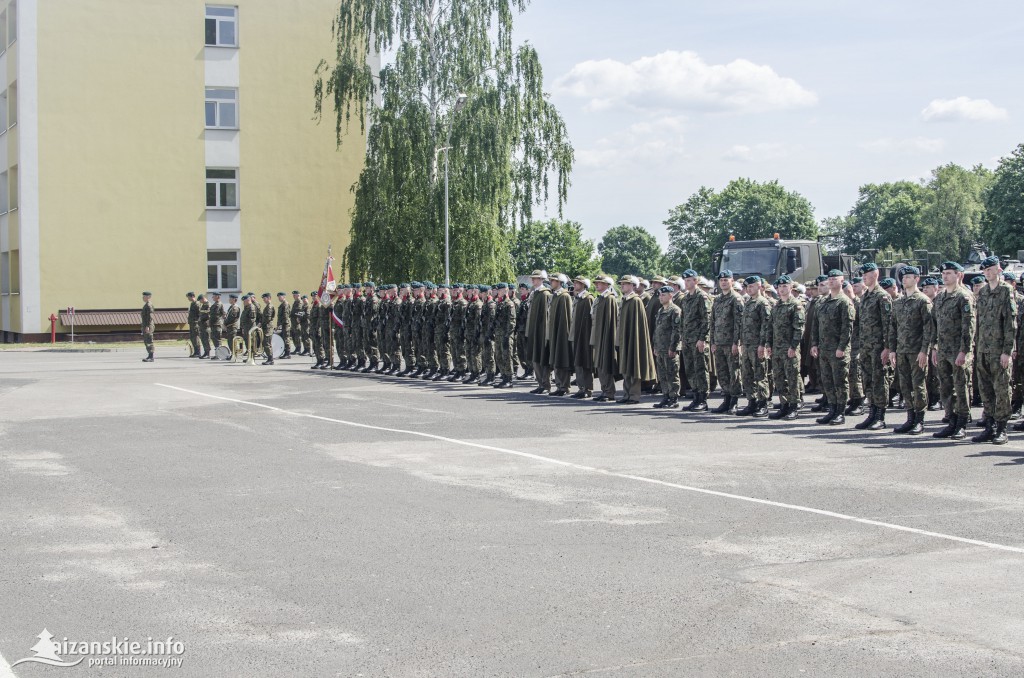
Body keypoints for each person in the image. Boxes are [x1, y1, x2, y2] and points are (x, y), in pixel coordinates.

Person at [972, 256, 1017, 445]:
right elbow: (979, 322)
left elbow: (1010, 323)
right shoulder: (982, 293)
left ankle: (1001, 428)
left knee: (1002, 390)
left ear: (998, 270)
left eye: (990, 269)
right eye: (985, 270)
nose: (987, 273)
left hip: (999, 350)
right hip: (983, 349)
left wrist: (1007, 351)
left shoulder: (1006, 291)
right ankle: (989, 426)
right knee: (986, 390)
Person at [885, 267, 933, 435]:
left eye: (908, 277)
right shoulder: (898, 302)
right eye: (903, 277)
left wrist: (924, 351)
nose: (904, 280)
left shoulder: (923, 301)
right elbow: (893, 328)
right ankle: (910, 417)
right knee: (905, 386)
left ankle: (919, 420)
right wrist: (892, 349)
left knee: (918, 386)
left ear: (916, 279)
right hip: (902, 350)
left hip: (916, 351)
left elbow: (928, 329)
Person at [930, 262, 975, 440]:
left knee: (961, 386)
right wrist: (934, 347)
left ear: (958, 275)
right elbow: (934, 325)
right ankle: (951, 420)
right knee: (946, 387)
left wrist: (964, 351)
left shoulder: (964, 297)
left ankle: (962, 423)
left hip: (958, 350)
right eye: (944, 274)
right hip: (942, 350)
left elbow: (969, 327)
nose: (945, 276)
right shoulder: (940, 298)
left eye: (949, 273)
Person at [812, 270, 855, 426]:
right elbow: (816, 325)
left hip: (838, 349)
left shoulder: (844, 302)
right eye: (829, 279)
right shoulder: (822, 302)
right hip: (824, 349)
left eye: (834, 279)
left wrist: (842, 347)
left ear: (842, 281)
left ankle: (840, 412)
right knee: (827, 381)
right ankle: (832, 409)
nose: (830, 281)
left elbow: (847, 327)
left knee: (840, 382)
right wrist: (814, 344)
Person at [855, 264, 893, 431]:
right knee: (868, 380)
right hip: (866, 347)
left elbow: (888, 324)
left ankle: (880, 416)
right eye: (863, 274)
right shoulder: (865, 296)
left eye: (867, 274)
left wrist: (887, 347)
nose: (864, 277)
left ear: (876, 274)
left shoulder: (882, 296)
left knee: (880, 381)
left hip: (878, 347)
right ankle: (872, 413)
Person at [765, 276, 804, 420]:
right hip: (777, 349)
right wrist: (769, 344)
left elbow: (799, 329)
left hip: (789, 348)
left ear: (791, 288)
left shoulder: (796, 305)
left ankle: (794, 406)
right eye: (780, 287)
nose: (782, 289)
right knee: (779, 378)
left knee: (792, 378)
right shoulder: (777, 305)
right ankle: (784, 405)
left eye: (785, 286)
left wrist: (793, 346)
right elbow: (770, 327)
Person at [615, 275, 656, 404]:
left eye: (626, 284)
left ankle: (633, 395)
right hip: (624, 338)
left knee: (633, 366)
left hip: (633, 339)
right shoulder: (625, 299)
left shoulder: (635, 301)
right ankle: (626, 394)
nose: (622, 285)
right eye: (622, 283)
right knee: (625, 367)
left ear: (633, 285)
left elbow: (637, 325)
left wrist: (633, 339)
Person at [710, 270, 744, 414]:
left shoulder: (736, 299)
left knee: (733, 372)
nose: (723, 282)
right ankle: (726, 398)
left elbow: (739, 323)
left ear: (732, 281)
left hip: (731, 343)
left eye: (726, 280)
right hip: (719, 342)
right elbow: (713, 322)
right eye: (721, 280)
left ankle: (734, 401)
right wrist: (712, 341)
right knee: (722, 373)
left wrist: (736, 342)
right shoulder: (717, 300)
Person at [737, 276, 771, 417]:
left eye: (752, 286)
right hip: (747, 345)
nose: (749, 289)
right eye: (747, 287)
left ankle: (763, 404)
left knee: (760, 374)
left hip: (758, 345)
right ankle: (752, 401)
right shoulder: (749, 302)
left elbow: (766, 326)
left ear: (759, 286)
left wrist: (762, 344)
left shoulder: (762, 303)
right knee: (747, 374)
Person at [680, 270, 713, 412]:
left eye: (689, 280)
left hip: (698, 340)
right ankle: (696, 396)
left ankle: (703, 400)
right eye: (685, 280)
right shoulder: (686, 298)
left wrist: (702, 338)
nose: (687, 283)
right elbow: (683, 319)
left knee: (700, 369)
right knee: (690, 369)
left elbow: (706, 319)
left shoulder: (702, 297)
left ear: (696, 281)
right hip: (688, 339)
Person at [651, 285, 681, 408]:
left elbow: (677, 330)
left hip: (669, 348)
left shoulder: (675, 310)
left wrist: (673, 347)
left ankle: (674, 398)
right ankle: (666, 396)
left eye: (663, 295)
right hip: (660, 348)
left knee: (672, 374)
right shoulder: (660, 310)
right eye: (660, 295)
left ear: (671, 295)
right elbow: (657, 330)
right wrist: (655, 346)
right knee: (662, 375)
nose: (660, 297)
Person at [591, 276, 619, 402]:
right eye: (596, 283)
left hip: (606, 337)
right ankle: (604, 390)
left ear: (607, 285)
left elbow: (610, 321)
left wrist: (607, 338)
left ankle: (609, 392)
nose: (597, 285)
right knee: (600, 365)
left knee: (605, 364)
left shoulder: (610, 298)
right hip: (598, 336)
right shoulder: (600, 298)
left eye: (600, 283)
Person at [545, 273, 574, 396]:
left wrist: (563, 334)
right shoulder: (555, 296)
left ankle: (564, 386)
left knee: (562, 358)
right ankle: (559, 385)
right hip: (554, 332)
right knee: (556, 359)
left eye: (554, 280)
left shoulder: (564, 296)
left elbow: (567, 318)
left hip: (562, 333)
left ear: (560, 282)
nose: (551, 282)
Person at [525, 271, 552, 394]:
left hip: (541, 332)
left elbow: (546, 315)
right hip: (533, 331)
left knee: (542, 358)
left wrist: (543, 333)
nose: (533, 280)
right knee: (535, 358)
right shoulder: (534, 293)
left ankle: (545, 384)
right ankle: (540, 383)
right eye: (533, 278)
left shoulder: (544, 293)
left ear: (542, 279)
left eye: (536, 278)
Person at [570, 276, 595, 399]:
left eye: (577, 283)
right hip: (575, 334)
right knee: (578, 363)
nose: (575, 284)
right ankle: (581, 388)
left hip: (584, 336)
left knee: (585, 362)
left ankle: (587, 388)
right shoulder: (578, 298)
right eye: (574, 282)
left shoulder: (588, 298)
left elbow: (589, 321)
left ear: (583, 285)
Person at [492, 284, 517, 388]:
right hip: (498, 334)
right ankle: (503, 376)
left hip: (506, 335)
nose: (499, 292)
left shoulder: (509, 304)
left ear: (506, 290)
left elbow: (512, 322)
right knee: (499, 356)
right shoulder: (500, 303)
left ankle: (509, 379)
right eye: (498, 290)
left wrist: (507, 336)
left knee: (507, 357)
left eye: (501, 290)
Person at [260, 293, 277, 365]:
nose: (263, 299)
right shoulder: (267, 306)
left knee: (267, 343)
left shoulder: (269, 307)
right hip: (266, 326)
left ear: (269, 298)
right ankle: (269, 358)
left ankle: (270, 359)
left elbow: (268, 318)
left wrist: (261, 324)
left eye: (265, 298)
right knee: (266, 343)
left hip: (267, 327)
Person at [276, 292, 293, 359]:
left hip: (285, 323)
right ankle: (286, 352)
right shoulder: (282, 304)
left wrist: (281, 324)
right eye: (278, 297)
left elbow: (285, 316)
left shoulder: (285, 304)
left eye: (280, 297)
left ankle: (288, 353)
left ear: (284, 297)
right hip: (283, 323)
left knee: (286, 338)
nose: (279, 298)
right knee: (284, 337)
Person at [209, 292, 225, 358]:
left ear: (217, 297)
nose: (212, 297)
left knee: (217, 340)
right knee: (214, 338)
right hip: (213, 324)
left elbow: (218, 315)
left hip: (217, 324)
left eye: (214, 296)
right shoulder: (215, 304)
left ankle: (220, 354)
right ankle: (217, 353)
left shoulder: (219, 304)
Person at [141, 291, 155, 362]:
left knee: (149, 340)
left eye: (144, 296)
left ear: (148, 297)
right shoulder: (146, 305)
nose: (143, 297)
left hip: (148, 325)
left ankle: (151, 357)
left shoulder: (149, 305)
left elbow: (150, 317)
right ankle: (149, 355)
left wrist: (147, 326)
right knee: (147, 340)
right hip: (146, 325)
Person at [290, 291, 304, 356]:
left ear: (298, 295)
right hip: (293, 321)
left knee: (297, 335)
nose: (293, 296)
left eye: (295, 295)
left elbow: (300, 311)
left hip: (297, 321)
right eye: (293, 295)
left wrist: (299, 318)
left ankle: (298, 348)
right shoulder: (295, 302)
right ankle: (297, 347)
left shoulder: (300, 302)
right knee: (294, 334)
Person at [197, 294, 211, 359]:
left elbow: (208, 314)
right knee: (203, 338)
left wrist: (202, 319)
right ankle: (205, 352)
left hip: (206, 324)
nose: (200, 302)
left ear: (203, 299)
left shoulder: (208, 305)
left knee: (206, 339)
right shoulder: (203, 305)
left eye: (200, 300)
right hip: (202, 324)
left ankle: (208, 353)